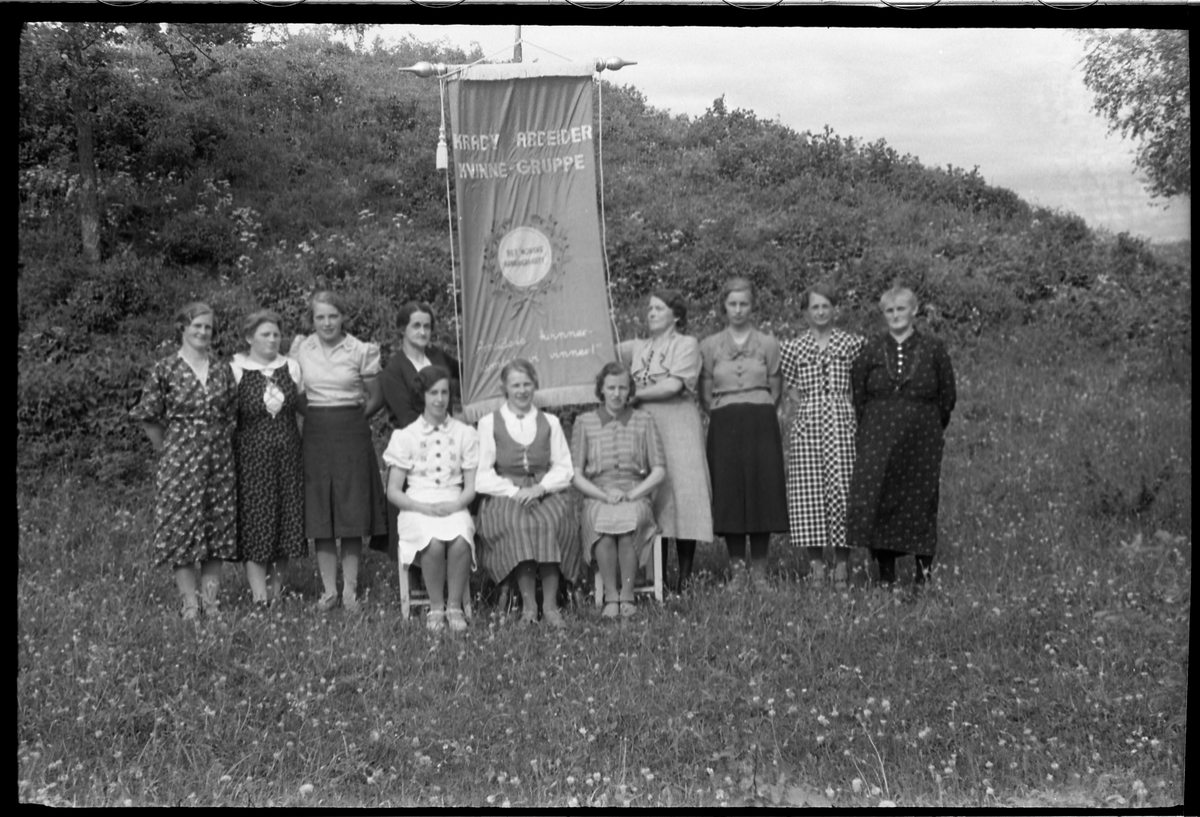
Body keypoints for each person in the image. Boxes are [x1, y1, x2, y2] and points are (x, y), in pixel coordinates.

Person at [131, 302, 237, 620]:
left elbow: (232, 413)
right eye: (197, 326)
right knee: (181, 529)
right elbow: (148, 415)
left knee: (216, 530)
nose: (203, 332)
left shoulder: (221, 369)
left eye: (208, 327)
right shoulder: (166, 368)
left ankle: (210, 601)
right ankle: (190, 602)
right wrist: (169, 449)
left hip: (219, 460)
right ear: (183, 328)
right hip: (179, 461)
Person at [846, 284, 957, 590]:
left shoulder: (934, 348)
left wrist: (928, 426)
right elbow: (859, 395)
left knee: (921, 500)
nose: (895, 315)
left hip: (922, 439)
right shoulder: (870, 349)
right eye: (890, 311)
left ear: (914, 310)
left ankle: (923, 577)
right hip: (878, 437)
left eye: (901, 309)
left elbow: (947, 396)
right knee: (881, 499)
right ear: (884, 314)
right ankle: (885, 577)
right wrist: (874, 427)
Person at [291, 291, 388, 612]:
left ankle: (350, 591)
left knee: (351, 509)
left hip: (352, 433)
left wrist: (351, 418)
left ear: (342, 317)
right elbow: (297, 395)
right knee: (321, 511)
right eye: (320, 317)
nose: (327, 322)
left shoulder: (361, 349)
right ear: (312, 319)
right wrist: (318, 415)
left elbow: (376, 396)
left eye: (333, 316)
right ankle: (328, 591)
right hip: (316, 432)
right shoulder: (301, 348)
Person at [618, 290, 712, 592]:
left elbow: (674, 384)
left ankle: (685, 577)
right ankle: (658, 575)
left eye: (659, 308)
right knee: (654, 495)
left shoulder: (686, 344)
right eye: (649, 308)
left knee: (684, 493)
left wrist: (634, 395)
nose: (652, 313)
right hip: (645, 425)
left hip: (678, 425)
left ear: (676, 315)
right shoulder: (638, 347)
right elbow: (598, 347)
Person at [699, 277, 790, 587]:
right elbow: (706, 390)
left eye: (744, 304)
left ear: (753, 306)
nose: (738, 309)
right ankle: (738, 571)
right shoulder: (710, 345)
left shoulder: (768, 343)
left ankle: (761, 572)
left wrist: (756, 405)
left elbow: (776, 387)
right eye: (732, 303)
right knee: (730, 493)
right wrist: (726, 409)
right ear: (724, 306)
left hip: (760, 422)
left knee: (762, 491)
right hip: (724, 422)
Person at [475, 360, 579, 627]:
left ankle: (551, 605)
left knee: (548, 522)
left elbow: (564, 466)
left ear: (535, 385)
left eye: (526, 384)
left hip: (545, 489)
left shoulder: (550, 422)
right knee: (520, 525)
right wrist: (513, 491)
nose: (522, 390)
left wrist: (540, 488)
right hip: (504, 494)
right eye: (515, 385)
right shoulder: (489, 423)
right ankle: (529, 606)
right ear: (504, 388)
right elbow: (483, 474)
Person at [780, 284, 866, 590]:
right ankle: (816, 566)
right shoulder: (793, 348)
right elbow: (788, 384)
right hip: (809, 422)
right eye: (814, 307)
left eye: (825, 306)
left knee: (843, 492)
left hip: (842, 421)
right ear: (805, 312)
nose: (820, 312)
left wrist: (844, 407)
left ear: (835, 309)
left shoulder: (852, 344)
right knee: (808, 493)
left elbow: (861, 382)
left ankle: (842, 565)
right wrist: (807, 403)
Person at [383, 365, 479, 632]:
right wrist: (423, 507)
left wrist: (455, 505)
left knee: (460, 538)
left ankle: (455, 606)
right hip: (416, 502)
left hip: (453, 499)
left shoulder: (464, 434)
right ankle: (436, 608)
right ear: (421, 395)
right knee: (433, 542)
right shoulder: (406, 436)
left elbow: (470, 487)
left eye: (445, 392)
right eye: (433, 393)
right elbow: (394, 491)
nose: (439, 399)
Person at [571, 363, 666, 618]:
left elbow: (658, 470)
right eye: (611, 387)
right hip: (597, 493)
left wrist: (633, 495)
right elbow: (576, 475)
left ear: (629, 390)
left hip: (635, 492)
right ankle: (610, 595)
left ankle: (627, 594)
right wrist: (603, 496)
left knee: (629, 522)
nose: (616, 393)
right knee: (602, 522)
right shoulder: (584, 422)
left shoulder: (644, 421)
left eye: (622, 388)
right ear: (601, 389)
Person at [231, 310, 307, 608]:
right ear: (250, 337)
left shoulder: (291, 367)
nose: (273, 339)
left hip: (288, 454)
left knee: (285, 520)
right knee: (256, 520)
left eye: (276, 334)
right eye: (265, 334)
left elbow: (303, 407)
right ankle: (258, 596)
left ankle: (276, 593)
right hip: (251, 456)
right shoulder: (235, 369)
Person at [379, 301, 461, 561]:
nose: (423, 331)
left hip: (451, 441)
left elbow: (467, 375)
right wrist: (448, 426)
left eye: (427, 326)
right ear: (402, 329)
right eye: (416, 325)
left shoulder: (438, 357)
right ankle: (418, 563)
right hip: (414, 445)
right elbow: (405, 416)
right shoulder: (394, 369)